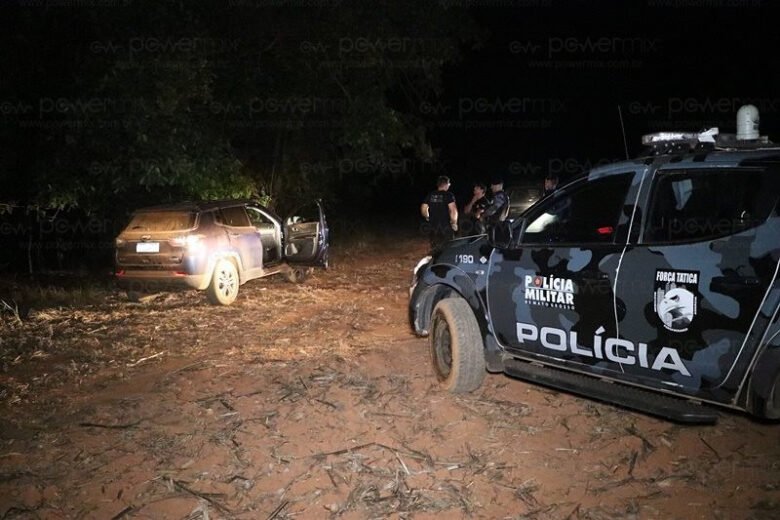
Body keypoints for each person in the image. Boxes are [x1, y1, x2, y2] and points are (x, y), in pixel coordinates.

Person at [421, 175, 458, 250]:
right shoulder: (448, 195)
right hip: (445, 226)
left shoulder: (430, 195)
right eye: (449, 184)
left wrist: (427, 217)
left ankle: (436, 260)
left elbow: (423, 208)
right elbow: (453, 210)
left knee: (435, 248)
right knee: (448, 248)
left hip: (433, 226)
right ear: (446, 184)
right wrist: (454, 223)